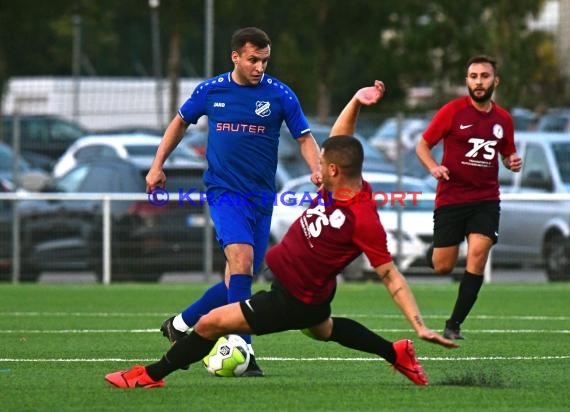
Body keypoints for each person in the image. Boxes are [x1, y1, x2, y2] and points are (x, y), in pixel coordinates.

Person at [105, 80, 458, 390]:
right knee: (323, 330)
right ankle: (394, 353)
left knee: (211, 323)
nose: (315, 168)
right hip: (309, 297)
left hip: (293, 299)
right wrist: (355, 101)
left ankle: (149, 375)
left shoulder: (363, 218)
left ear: (334, 170)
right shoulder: (340, 186)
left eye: (321, 164)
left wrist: (420, 325)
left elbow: (391, 277)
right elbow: (342, 135)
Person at [145, 27, 321, 376]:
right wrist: (156, 165)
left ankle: (181, 324)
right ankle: (244, 348)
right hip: (224, 192)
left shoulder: (280, 94)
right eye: (253, 60)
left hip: (261, 196)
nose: (260, 67)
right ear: (235, 57)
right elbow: (179, 123)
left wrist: (317, 170)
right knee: (241, 261)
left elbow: (304, 137)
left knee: (238, 280)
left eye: (265, 61)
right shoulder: (212, 90)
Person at [416, 55, 523, 340]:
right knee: (443, 266)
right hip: (451, 198)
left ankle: (454, 325)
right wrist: (433, 167)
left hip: (486, 200)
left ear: (495, 81)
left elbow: (506, 154)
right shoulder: (452, 111)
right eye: (473, 76)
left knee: (477, 255)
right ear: (467, 81)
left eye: (484, 76)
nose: (479, 82)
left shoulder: (504, 120)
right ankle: (433, 252)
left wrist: (512, 161)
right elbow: (423, 145)